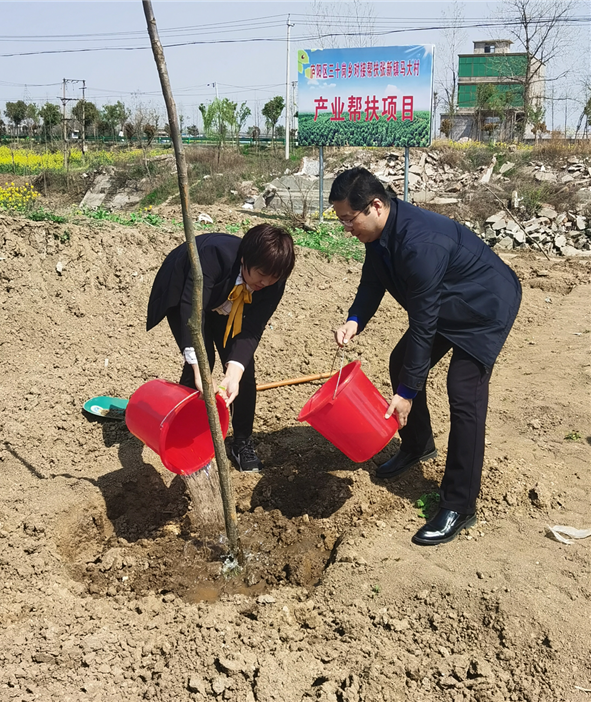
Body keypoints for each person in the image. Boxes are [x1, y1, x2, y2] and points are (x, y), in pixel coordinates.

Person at [331, 167, 522, 546]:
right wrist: (355, 319)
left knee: (463, 392)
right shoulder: (379, 232)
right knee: (400, 361)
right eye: (341, 221)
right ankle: (418, 445)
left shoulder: (420, 245)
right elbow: (373, 279)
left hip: (485, 304)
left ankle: (459, 504)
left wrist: (407, 393)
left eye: (349, 220)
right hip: (448, 299)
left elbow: (423, 324)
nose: (347, 229)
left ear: (375, 206)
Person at [147, 223, 295, 472]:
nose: (266, 282)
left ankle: (242, 442)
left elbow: (252, 328)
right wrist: (200, 372)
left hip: (232, 305)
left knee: (244, 371)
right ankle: (184, 438)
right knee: (201, 364)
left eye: (273, 278)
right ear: (245, 259)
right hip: (188, 296)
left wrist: (233, 375)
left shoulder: (273, 281)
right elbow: (193, 314)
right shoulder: (213, 255)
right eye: (261, 274)